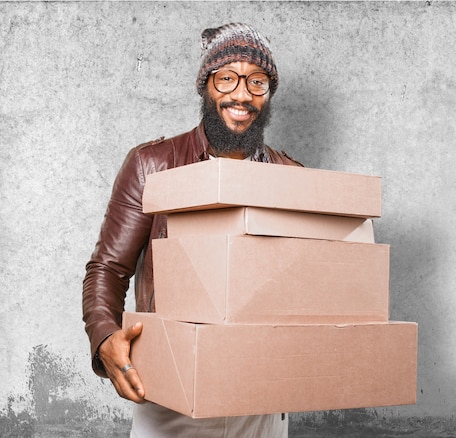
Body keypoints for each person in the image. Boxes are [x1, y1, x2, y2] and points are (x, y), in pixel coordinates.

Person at [82, 23, 301, 437]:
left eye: (257, 81)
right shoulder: (153, 164)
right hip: (169, 396)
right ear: (206, 87)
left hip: (260, 404)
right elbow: (108, 269)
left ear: (269, 92)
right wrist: (104, 335)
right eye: (227, 79)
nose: (241, 95)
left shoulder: (291, 176)